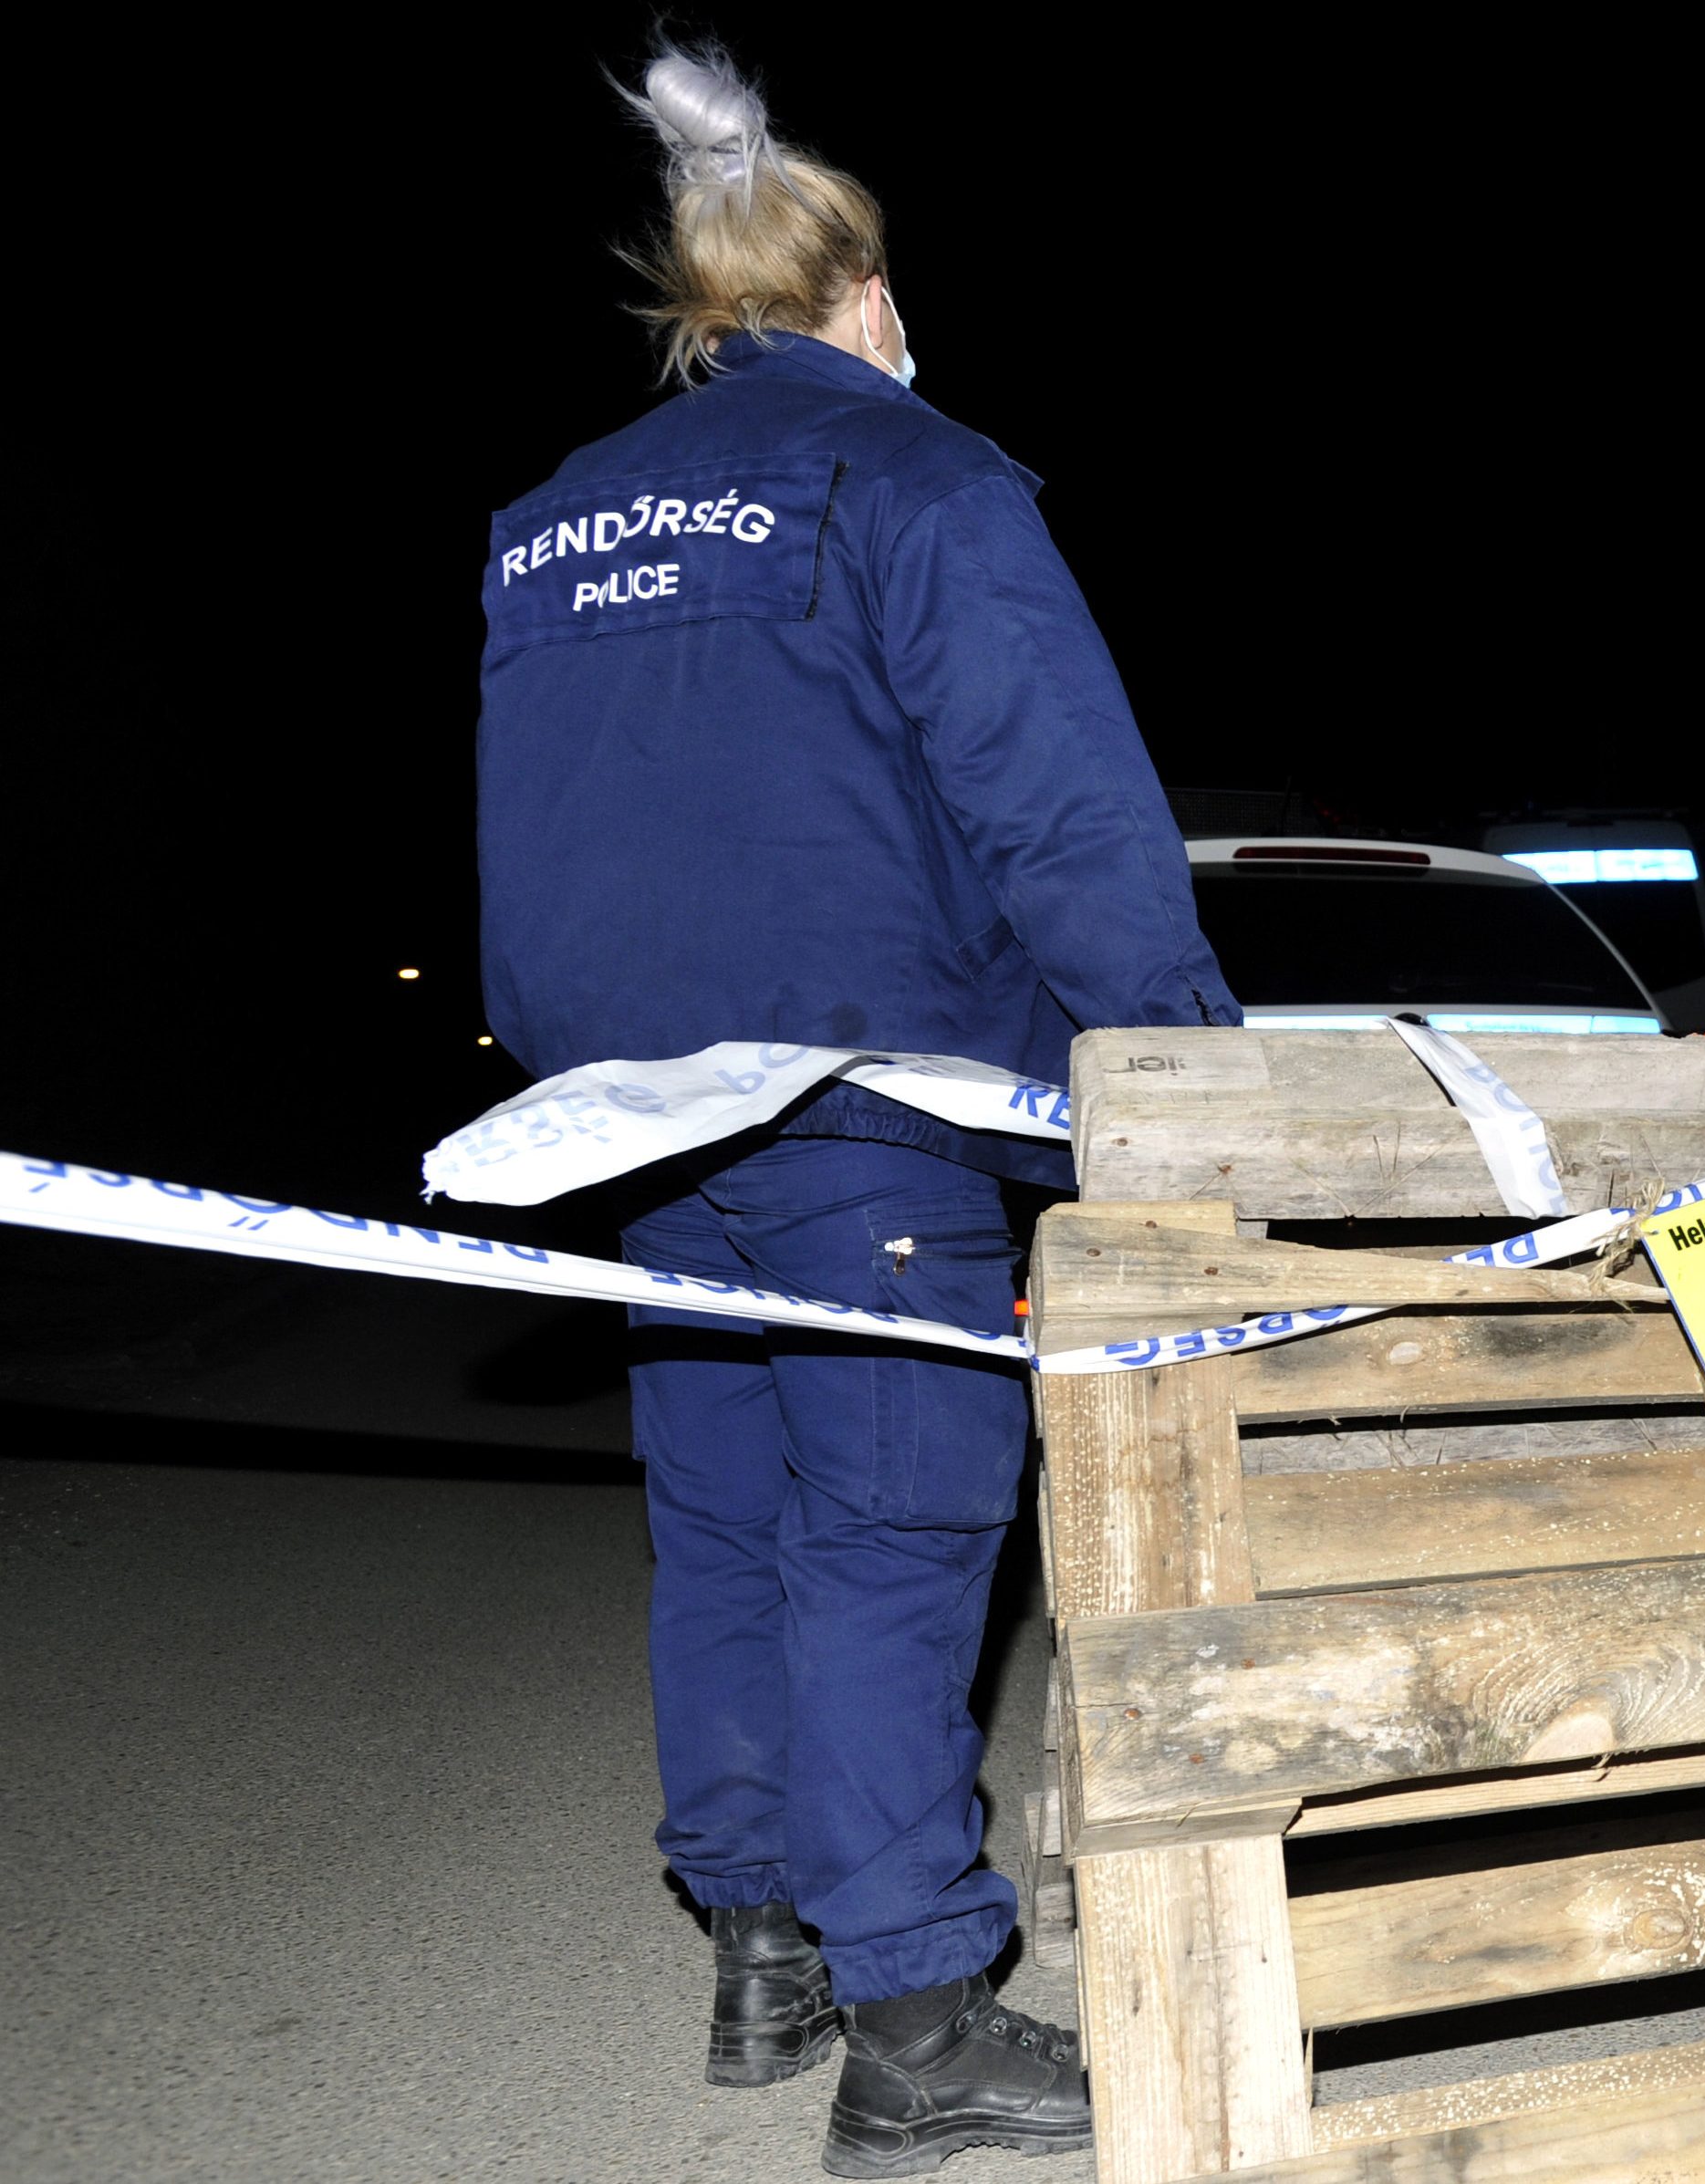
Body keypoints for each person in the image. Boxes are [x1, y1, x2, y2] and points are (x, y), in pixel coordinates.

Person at [473, 46, 1228, 2178]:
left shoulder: (555, 517)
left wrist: (585, 1069)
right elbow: (1056, 801)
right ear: (866, 294)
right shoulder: (919, 475)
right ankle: (916, 2020)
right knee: (892, 1532)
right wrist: (1175, 1055)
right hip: (869, 1097)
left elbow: (544, 832)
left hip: (634, 1117)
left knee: (721, 1520)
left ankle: (760, 1947)